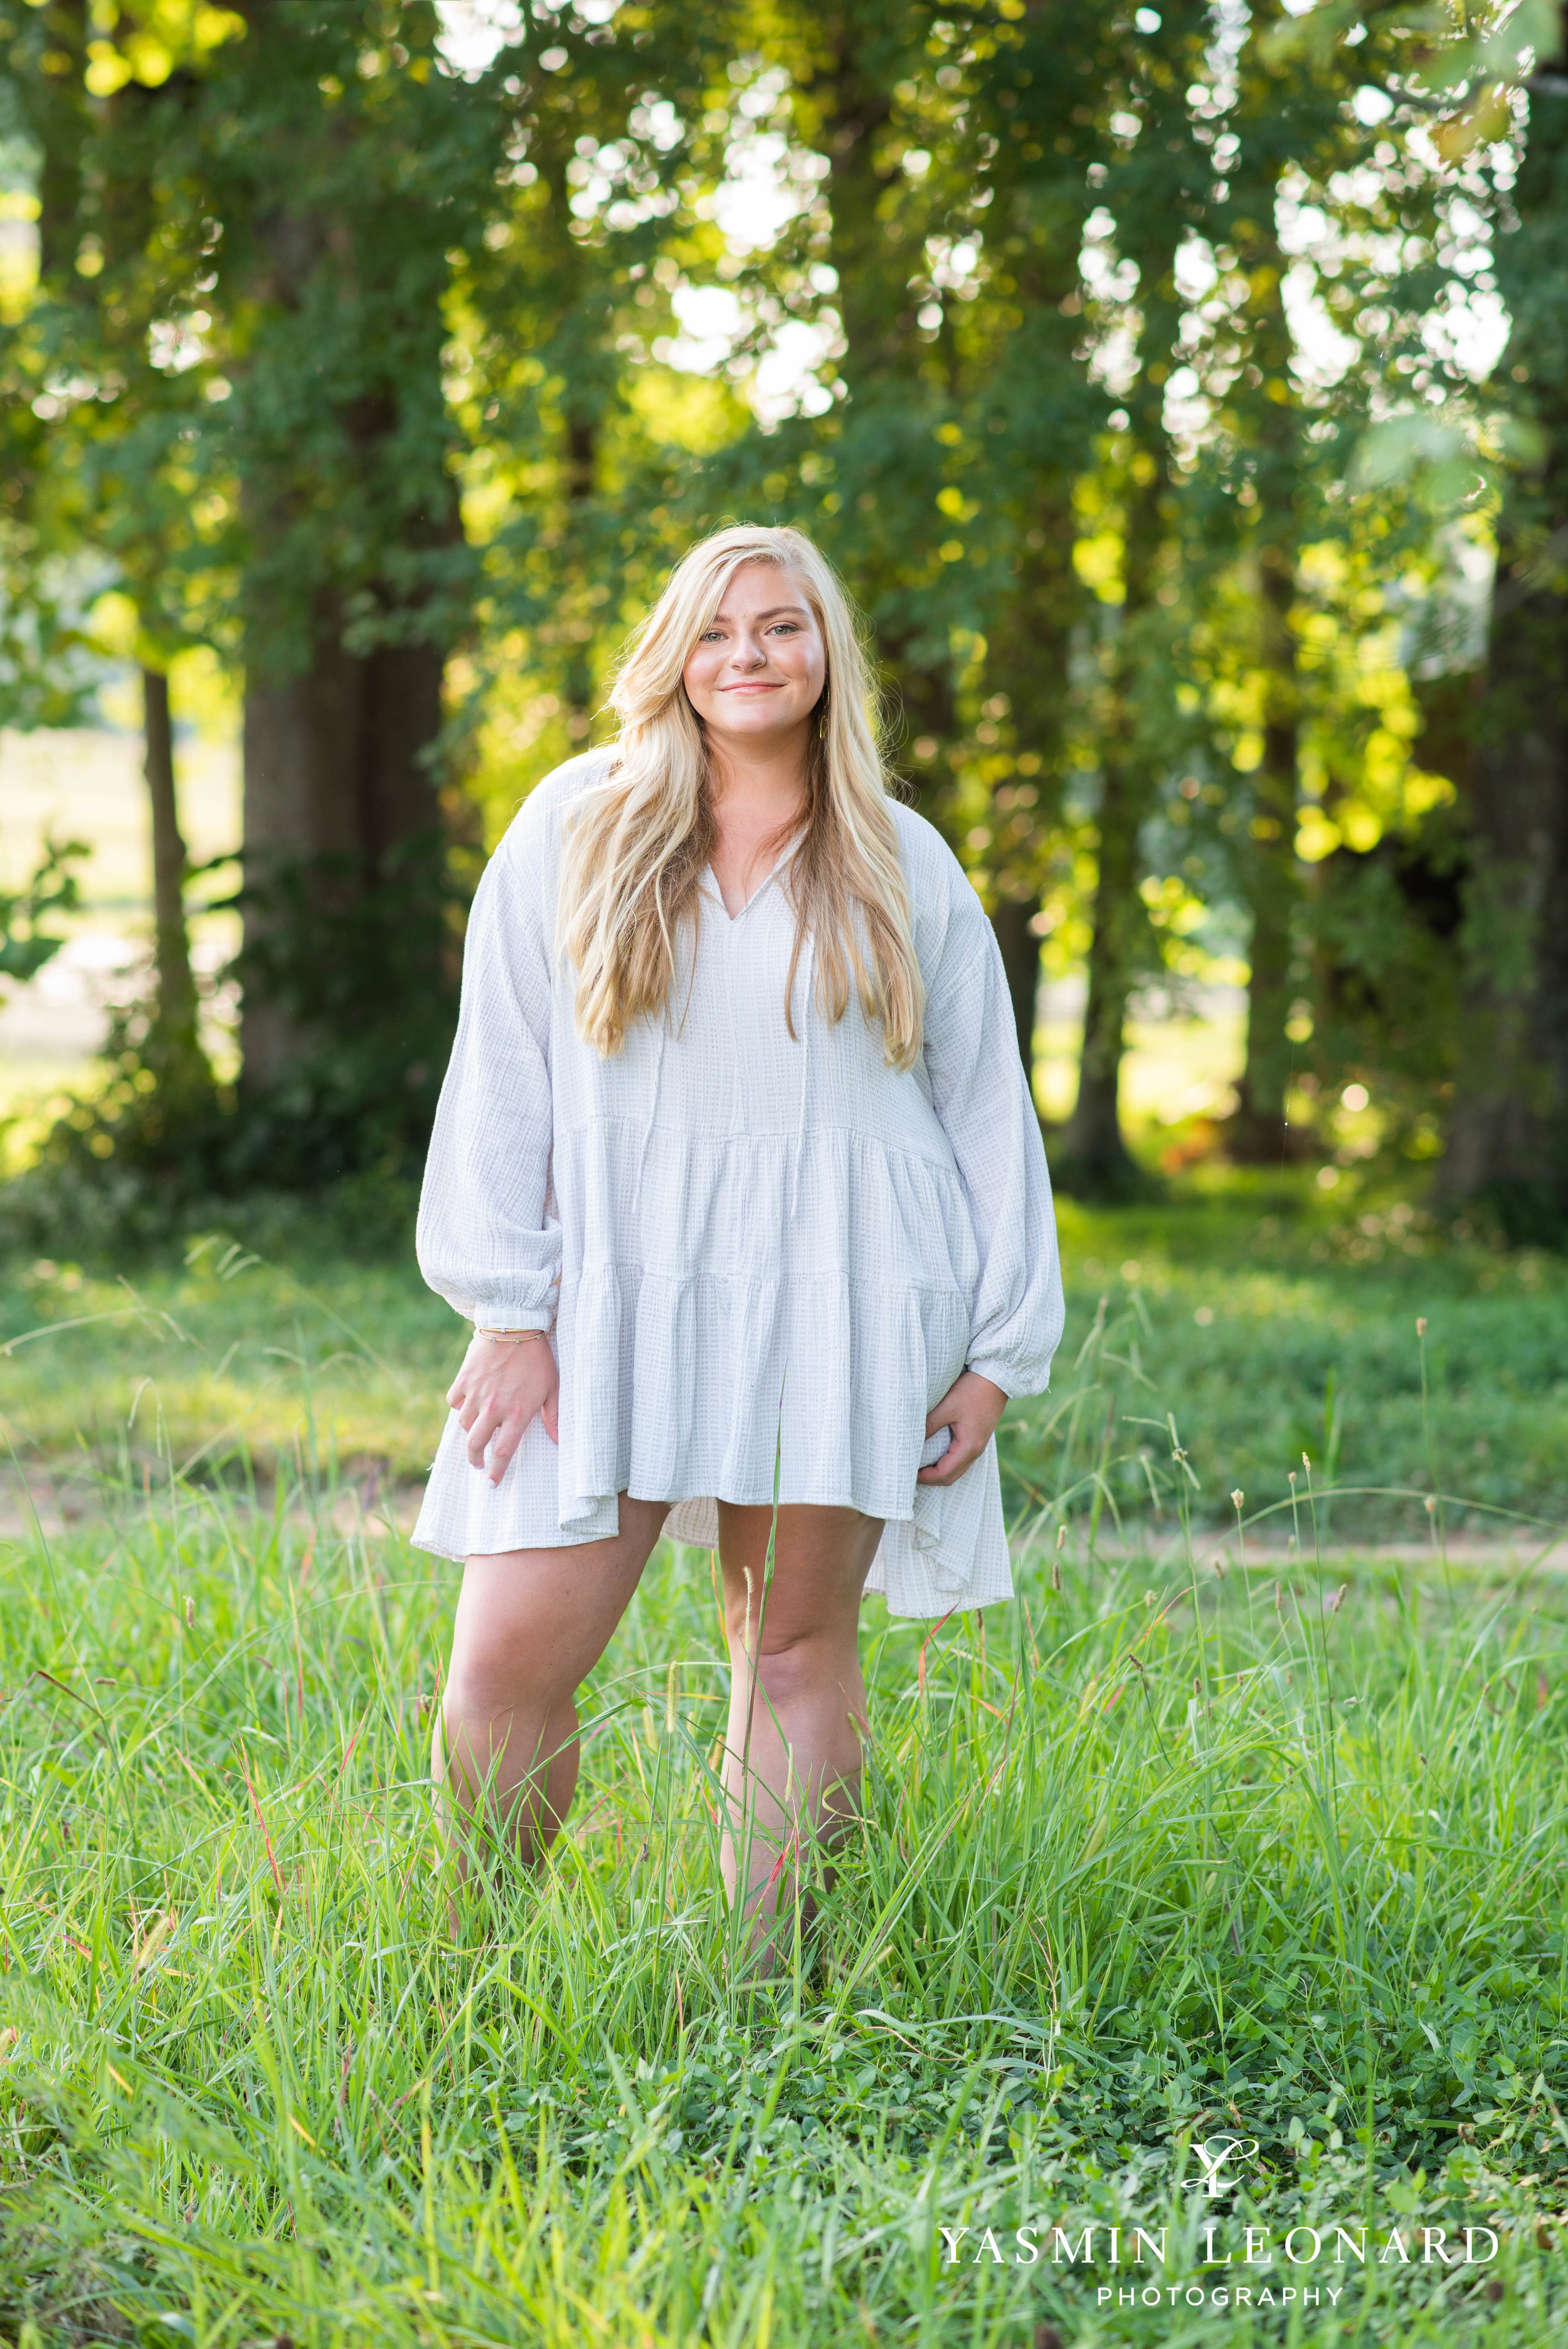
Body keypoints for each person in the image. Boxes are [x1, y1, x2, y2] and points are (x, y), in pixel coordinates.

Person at [412, 522, 1064, 1953]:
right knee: (504, 1658)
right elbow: (503, 1070)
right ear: (674, 656)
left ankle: (767, 2011)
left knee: (784, 1651)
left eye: (778, 626)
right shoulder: (575, 826)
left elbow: (982, 1111)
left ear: (825, 652)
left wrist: (998, 1357)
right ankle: (462, 1967)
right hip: (608, 1296)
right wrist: (510, 1314)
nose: (747, 655)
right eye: (716, 630)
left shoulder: (900, 857)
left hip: (845, 1290)